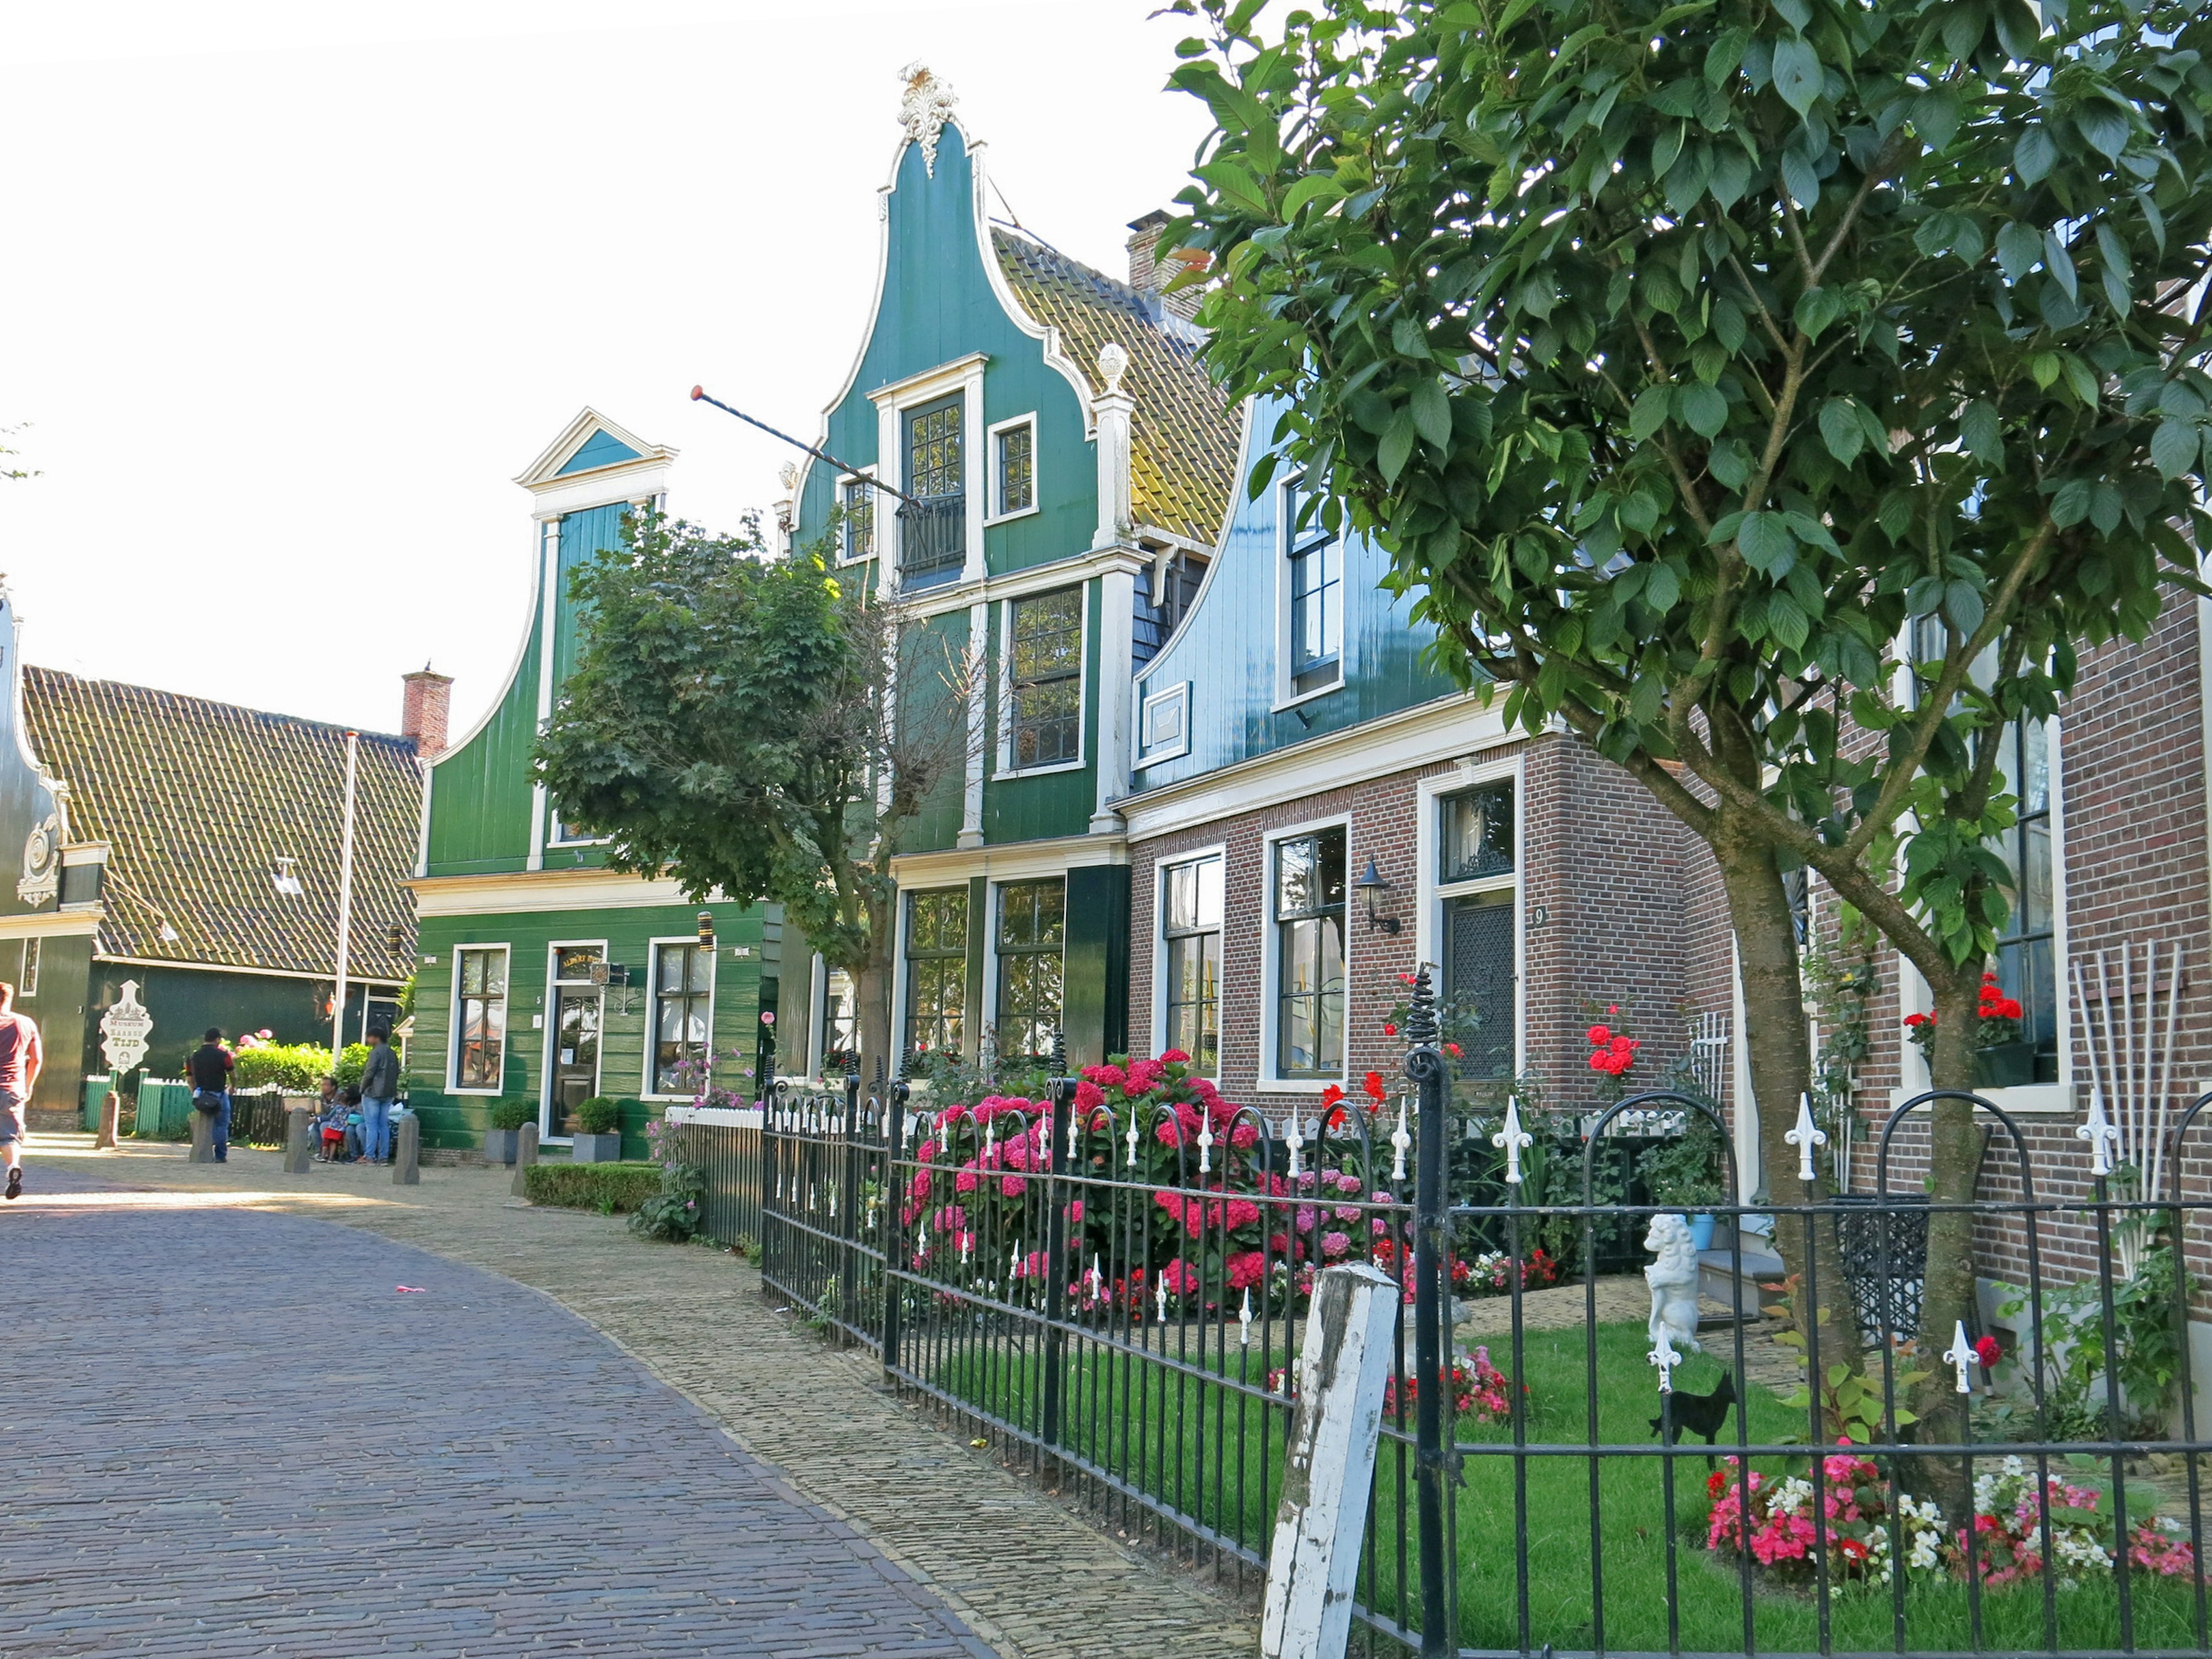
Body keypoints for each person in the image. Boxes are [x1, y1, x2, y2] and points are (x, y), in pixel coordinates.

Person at [0, 982, 44, 1200]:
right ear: (9, 999)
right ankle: (12, 1167)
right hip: (12, 1089)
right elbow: (36, 1059)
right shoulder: (26, 1023)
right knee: (10, 1137)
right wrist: (29, 1085)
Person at [188, 1027, 234, 1162]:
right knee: (221, 1124)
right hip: (219, 1094)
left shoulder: (193, 1057)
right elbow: (233, 1074)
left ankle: (201, 1152)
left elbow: (190, 1079)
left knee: (204, 1123)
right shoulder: (224, 1056)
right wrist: (234, 1086)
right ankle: (220, 1156)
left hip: (202, 1094)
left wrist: (195, 1092)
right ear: (217, 1040)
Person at [357, 1026, 399, 1165]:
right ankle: (384, 1157)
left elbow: (369, 1073)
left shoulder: (375, 1053)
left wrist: (362, 1089)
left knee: (372, 1126)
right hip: (388, 1093)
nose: (368, 1040)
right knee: (383, 1125)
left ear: (375, 1037)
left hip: (373, 1093)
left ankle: (370, 1156)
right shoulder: (392, 1053)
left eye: (369, 1037)